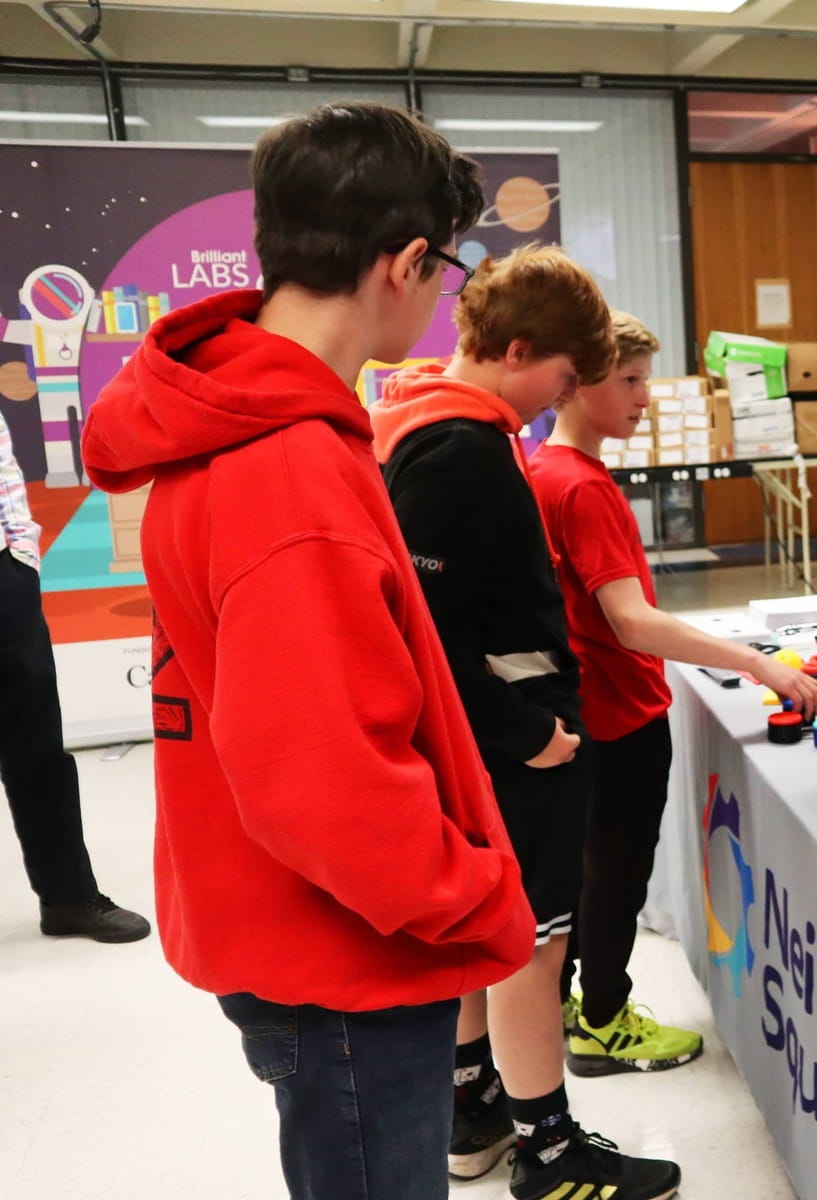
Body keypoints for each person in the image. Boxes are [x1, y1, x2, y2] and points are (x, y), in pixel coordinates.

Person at [81, 103, 537, 1200]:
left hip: (297, 926)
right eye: (450, 268)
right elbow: (317, 775)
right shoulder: (288, 468)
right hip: (350, 958)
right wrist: (471, 895)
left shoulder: (234, 422)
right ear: (409, 260)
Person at [374, 250, 680, 1200]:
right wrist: (526, 732)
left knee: (487, 929)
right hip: (516, 745)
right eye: (565, 375)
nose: (568, 393)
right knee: (532, 947)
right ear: (517, 351)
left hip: (497, 739)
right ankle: (548, 1150)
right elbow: (417, 624)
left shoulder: (443, 424)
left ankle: (470, 1110)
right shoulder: (462, 450)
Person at [528, 312, 817, 1078]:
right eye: (628, 380)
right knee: (615, 871)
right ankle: (603, 1019)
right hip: (618, 716)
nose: (644, 399)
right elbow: (630, 622)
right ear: (579, 381)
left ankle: (566, 1004)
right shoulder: (580, 488)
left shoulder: (544, 472)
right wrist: (757, 664)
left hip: (586, 708)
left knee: (587, 868)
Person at [0, 412, 149, 943]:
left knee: (38, 745)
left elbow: (4, 466)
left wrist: (21, 557)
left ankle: (67, 897)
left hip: (4, 577)